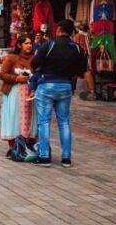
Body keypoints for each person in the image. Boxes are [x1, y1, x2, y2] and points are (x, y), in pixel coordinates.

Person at [30, 18, 88, 168]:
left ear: (59, 29)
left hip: (46, 85)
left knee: (44, 122)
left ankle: (44, 157)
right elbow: (81, 72)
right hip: (65, 86)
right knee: (64, 122)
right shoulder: (77, 48)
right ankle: (66, 158)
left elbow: (34, 64)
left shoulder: (49, 44)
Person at [0, 35, 37, 158]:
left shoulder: (34, 59)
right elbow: (2, 74)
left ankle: (28, 145)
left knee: (30, 119)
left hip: (30, 94)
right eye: (26, 43)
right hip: (14, 93)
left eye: (30, 43)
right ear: (20, 45)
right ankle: (13, 147)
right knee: (14, 118)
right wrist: (17, 78)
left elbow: (38, 73)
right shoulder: (11, 58)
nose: (29, 45)